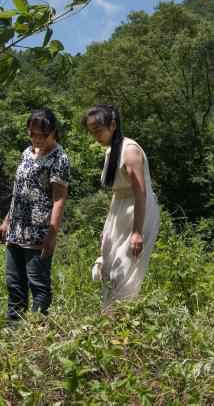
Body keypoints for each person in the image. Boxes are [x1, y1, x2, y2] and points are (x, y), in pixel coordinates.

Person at [83, 105, 161, 311]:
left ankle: (120, 321)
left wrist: (137, 232)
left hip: (139, 212)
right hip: (119, 211)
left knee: (125, 271)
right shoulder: (111, 151)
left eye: (99, 130)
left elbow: (140, 193)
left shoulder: (130, 151)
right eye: (92, 132)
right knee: (108, 267)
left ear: (113, 125)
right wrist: (107, 227)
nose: (96, 136)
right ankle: (110, 319)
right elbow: (117, 193)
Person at [0, 109, 71, 321]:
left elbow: (59, 199)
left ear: (53, 132)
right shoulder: (27, 152)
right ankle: (14, 330)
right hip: (16, 228)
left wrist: (52, 233)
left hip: (39, 231)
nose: (37, 139)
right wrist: (6, 220)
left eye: (42, 135)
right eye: (32, 134)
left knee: (37, 283)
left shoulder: (59, 158)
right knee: (14, 282)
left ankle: (37, 331)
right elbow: (18, 190)